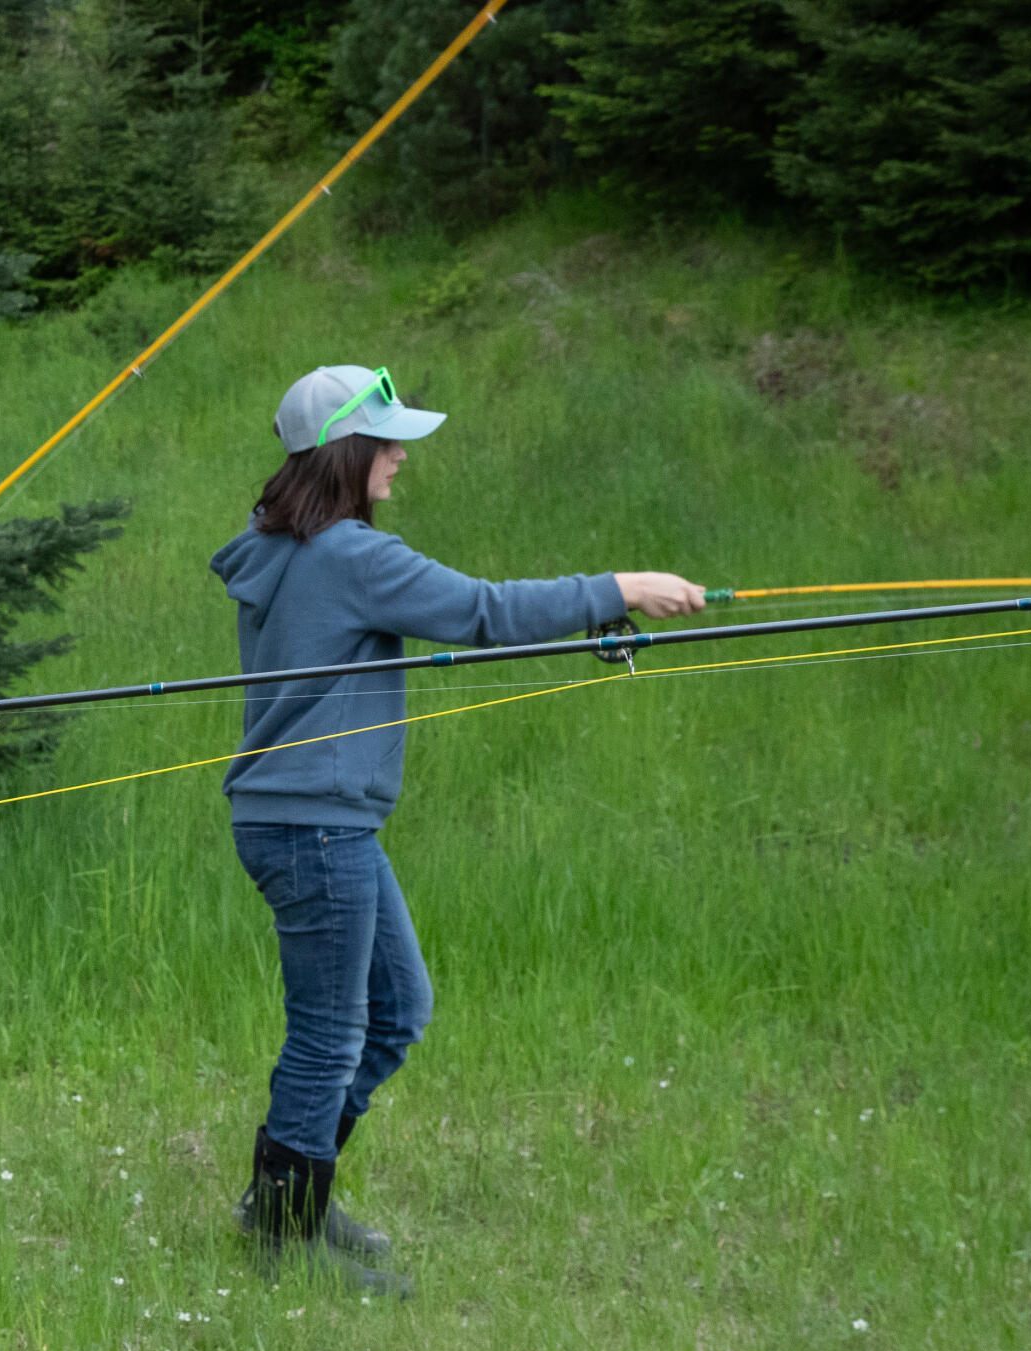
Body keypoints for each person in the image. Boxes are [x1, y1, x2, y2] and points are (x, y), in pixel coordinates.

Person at [211, 364, 703, 1295]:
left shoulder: (277, 549)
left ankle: (289, 1198)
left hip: (308, 823)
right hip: (316, 828)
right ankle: (284, 1233)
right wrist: (621, 585)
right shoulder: (350, 556)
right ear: (345, 454)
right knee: (330, 1032)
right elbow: (487, 612)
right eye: (387, 441)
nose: (401, 456)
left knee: (397, 1011)